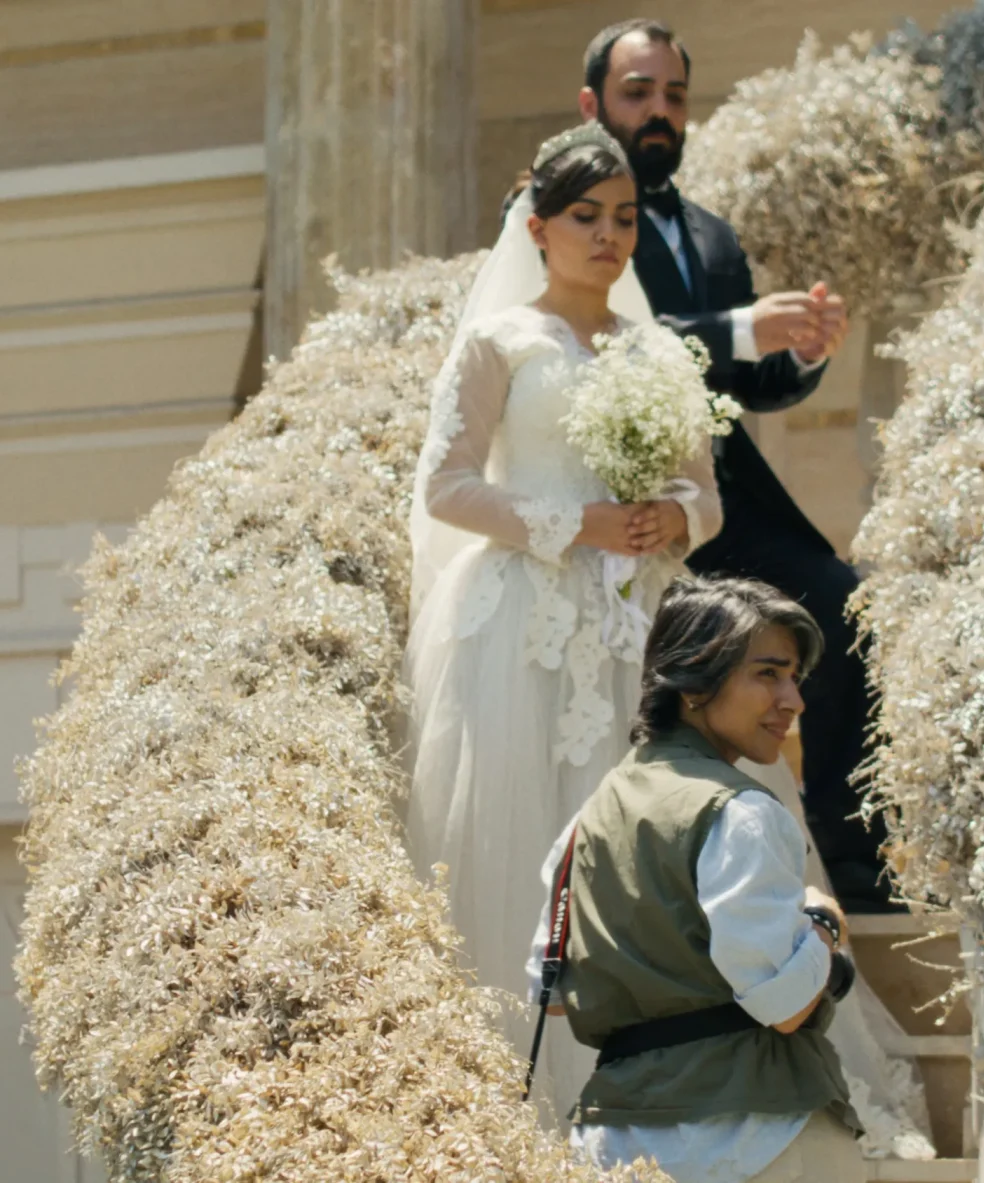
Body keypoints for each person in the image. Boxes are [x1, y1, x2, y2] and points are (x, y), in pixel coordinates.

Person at [403, 121, 722, 1116]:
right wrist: (575, 522)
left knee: (644, 829)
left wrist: (671, 518)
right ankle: (512, 1090)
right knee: (521, 832)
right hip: (520, 626)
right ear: (538, 226)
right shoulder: (500, 340)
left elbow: (707, 496)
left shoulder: (661, 351)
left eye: (624, 217)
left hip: (636, 623)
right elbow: (447, 488)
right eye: (586, 216)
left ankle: (660, 1076)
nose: (608, 235)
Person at [577, 19, 896, 914]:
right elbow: (604, 333)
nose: (659, 111)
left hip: (721, 499)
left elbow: (751, 382)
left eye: (674, 96)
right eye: (638, 93)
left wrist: (800, 351)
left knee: (842, 602)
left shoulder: (711, 237)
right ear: (592, 104)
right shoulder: (566, 216)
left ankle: (854, 856)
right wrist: (741, 328)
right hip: (606, 494)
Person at [526, 577, 865, 1183]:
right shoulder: (741, 812)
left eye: (794, 678)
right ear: (693, 684)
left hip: (615, 1148)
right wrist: (823, 923)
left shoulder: (587, 822)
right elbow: (785, 1006)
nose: (793, 700)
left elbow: (550, 993)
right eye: (768, 674)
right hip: (760, 1139)